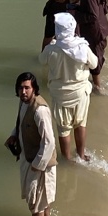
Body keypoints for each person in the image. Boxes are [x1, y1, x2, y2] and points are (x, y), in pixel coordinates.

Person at [40, 12, 98, 162]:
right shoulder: (82, 48)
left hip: (60, 95)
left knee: (63, 129)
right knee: (80, 124)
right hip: (80, 93)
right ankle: (81, 155)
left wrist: (52, 43)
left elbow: (41, 61)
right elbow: (94, 64)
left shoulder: (51, 49)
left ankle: (67, 159)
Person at [5, 72, 56, 216]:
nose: (23, 91)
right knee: (42, 199)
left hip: (39, 163)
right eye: (20, 88)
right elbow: (21, 123)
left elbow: (49, 142)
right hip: (28, 158)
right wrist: (14, 135)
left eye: (27, 88)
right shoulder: (23, 103)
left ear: (34, 88)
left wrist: (37, 165)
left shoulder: (40, 110)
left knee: (35, 203)